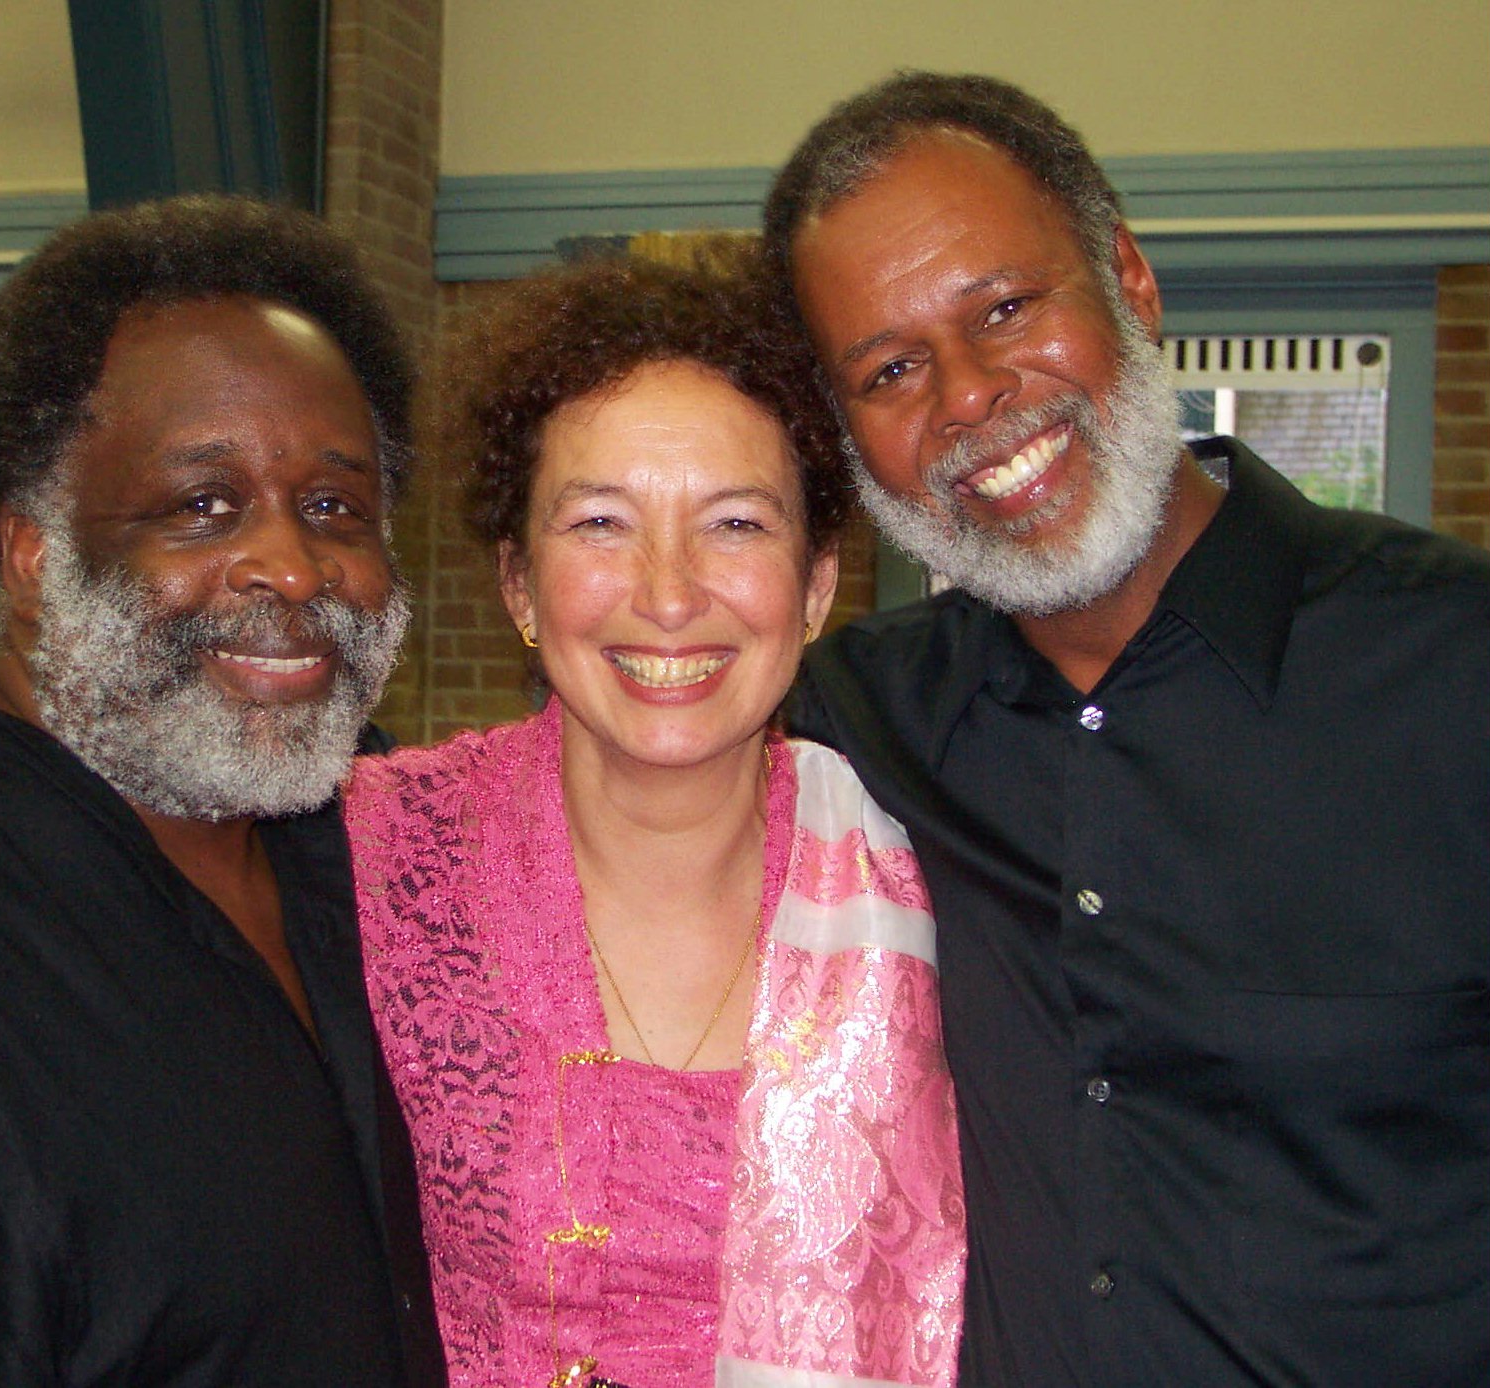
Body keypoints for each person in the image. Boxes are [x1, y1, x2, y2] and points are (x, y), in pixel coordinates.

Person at [763, 71, 1490, 1387]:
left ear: (1129, 283)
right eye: (889, 369)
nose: (969, 396)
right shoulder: (840, 726)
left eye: (1002, 308)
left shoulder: (1453, 672)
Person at [0, 195, 445, 1387]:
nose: (289, 562)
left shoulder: (390, 848)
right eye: (200, 505)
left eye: (334, 505)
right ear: (32, 554)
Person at [344, 252, 967, 1388]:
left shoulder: (932, 887)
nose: (668, 593)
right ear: (519, 587)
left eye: (733, 524)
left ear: (818, 583)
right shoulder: (373, 858)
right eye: (598, 523)